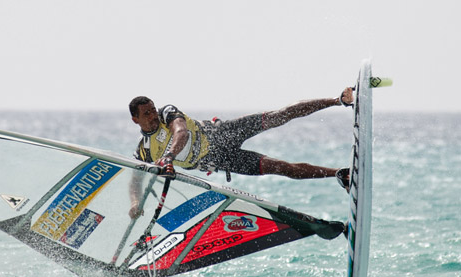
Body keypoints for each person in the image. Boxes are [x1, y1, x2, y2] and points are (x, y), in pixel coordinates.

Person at [128, 88, 353, 218]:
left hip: (221, 134)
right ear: (135, 119)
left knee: (279, 115)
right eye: (146, 114)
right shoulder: (144, 150)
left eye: (152, 110)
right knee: (280, 167)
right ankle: (341, 174)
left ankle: (339, 99)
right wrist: (135, 204)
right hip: (219, 160)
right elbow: (135, 179)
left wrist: (168, 158)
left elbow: (182, 132)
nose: (153, 116)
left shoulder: (167, 112)